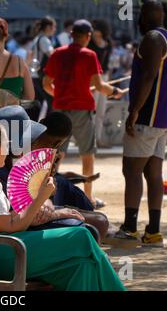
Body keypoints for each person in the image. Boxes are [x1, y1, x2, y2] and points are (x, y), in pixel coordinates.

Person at [0, 121, 125, 291]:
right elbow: (14, 226)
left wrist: (54, 214)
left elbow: (5, 220)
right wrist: (42, 196)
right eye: (7, 144)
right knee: (82, 235)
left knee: (81, 267)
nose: (9, 150)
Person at [112, 0, 167, 248]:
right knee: (154, 174)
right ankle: (153, 232)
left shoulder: (152, 38)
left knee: (131, 170)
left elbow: (150, 76)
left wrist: (134, 110)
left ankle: (130, 228)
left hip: (148, 117)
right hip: (165, 118)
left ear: (146, 17)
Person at [42, 19, 126, 208]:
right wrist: (114, 92)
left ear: (72, 35)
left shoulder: (57, 53)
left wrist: (62, 94)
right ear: (88, 36)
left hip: (60, 110)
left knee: (56, 154)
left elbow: (46, 83)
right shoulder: (89, 55)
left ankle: (50, 195)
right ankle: (88, 198)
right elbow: (99, 86)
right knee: (87, 154)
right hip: (82, 111)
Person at [0, 106, 109, 240]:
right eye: (28, 139)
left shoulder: (12, 161)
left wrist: (47, 196)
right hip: (21, 225)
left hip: (33, 213)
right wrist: (53, 211)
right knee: (93, 226)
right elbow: (16, 216)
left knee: (97, 220)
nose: (32, 142)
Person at [88, 20, 113, 148]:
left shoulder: (108, 44)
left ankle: (98, 138)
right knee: (92, 109)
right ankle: (91, 139)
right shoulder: (89, 44)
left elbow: (107, 64)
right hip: (91, 77)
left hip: (103, 76)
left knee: (101, 110)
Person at [30, 16, 56, 118]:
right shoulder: (44, 39)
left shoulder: (37, 38)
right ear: (49, 27)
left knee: (39, 103)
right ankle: (49, 128)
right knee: (51, 101)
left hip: (35, 74)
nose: (55, 30)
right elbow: (52, 55)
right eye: (54, 27)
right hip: (41, 75)